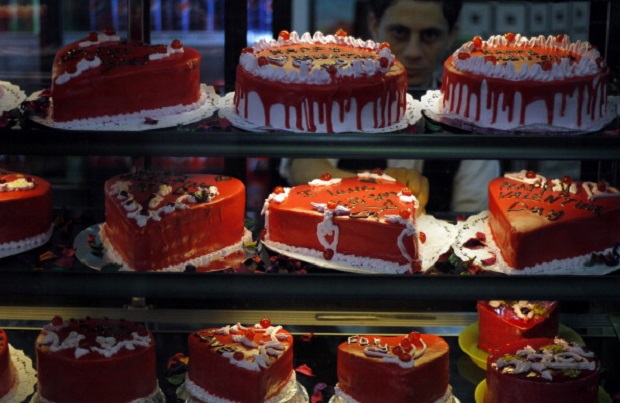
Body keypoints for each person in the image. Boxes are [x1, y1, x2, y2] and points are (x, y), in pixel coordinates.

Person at [281, 0, 500, 214]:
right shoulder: (339, 97)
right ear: (374, 26)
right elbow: (301, 165)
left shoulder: (469, 116)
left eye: (430, 36)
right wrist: (375, 187)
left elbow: (473, 214)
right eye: (399, 33)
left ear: (452, 35)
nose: (413, 51)